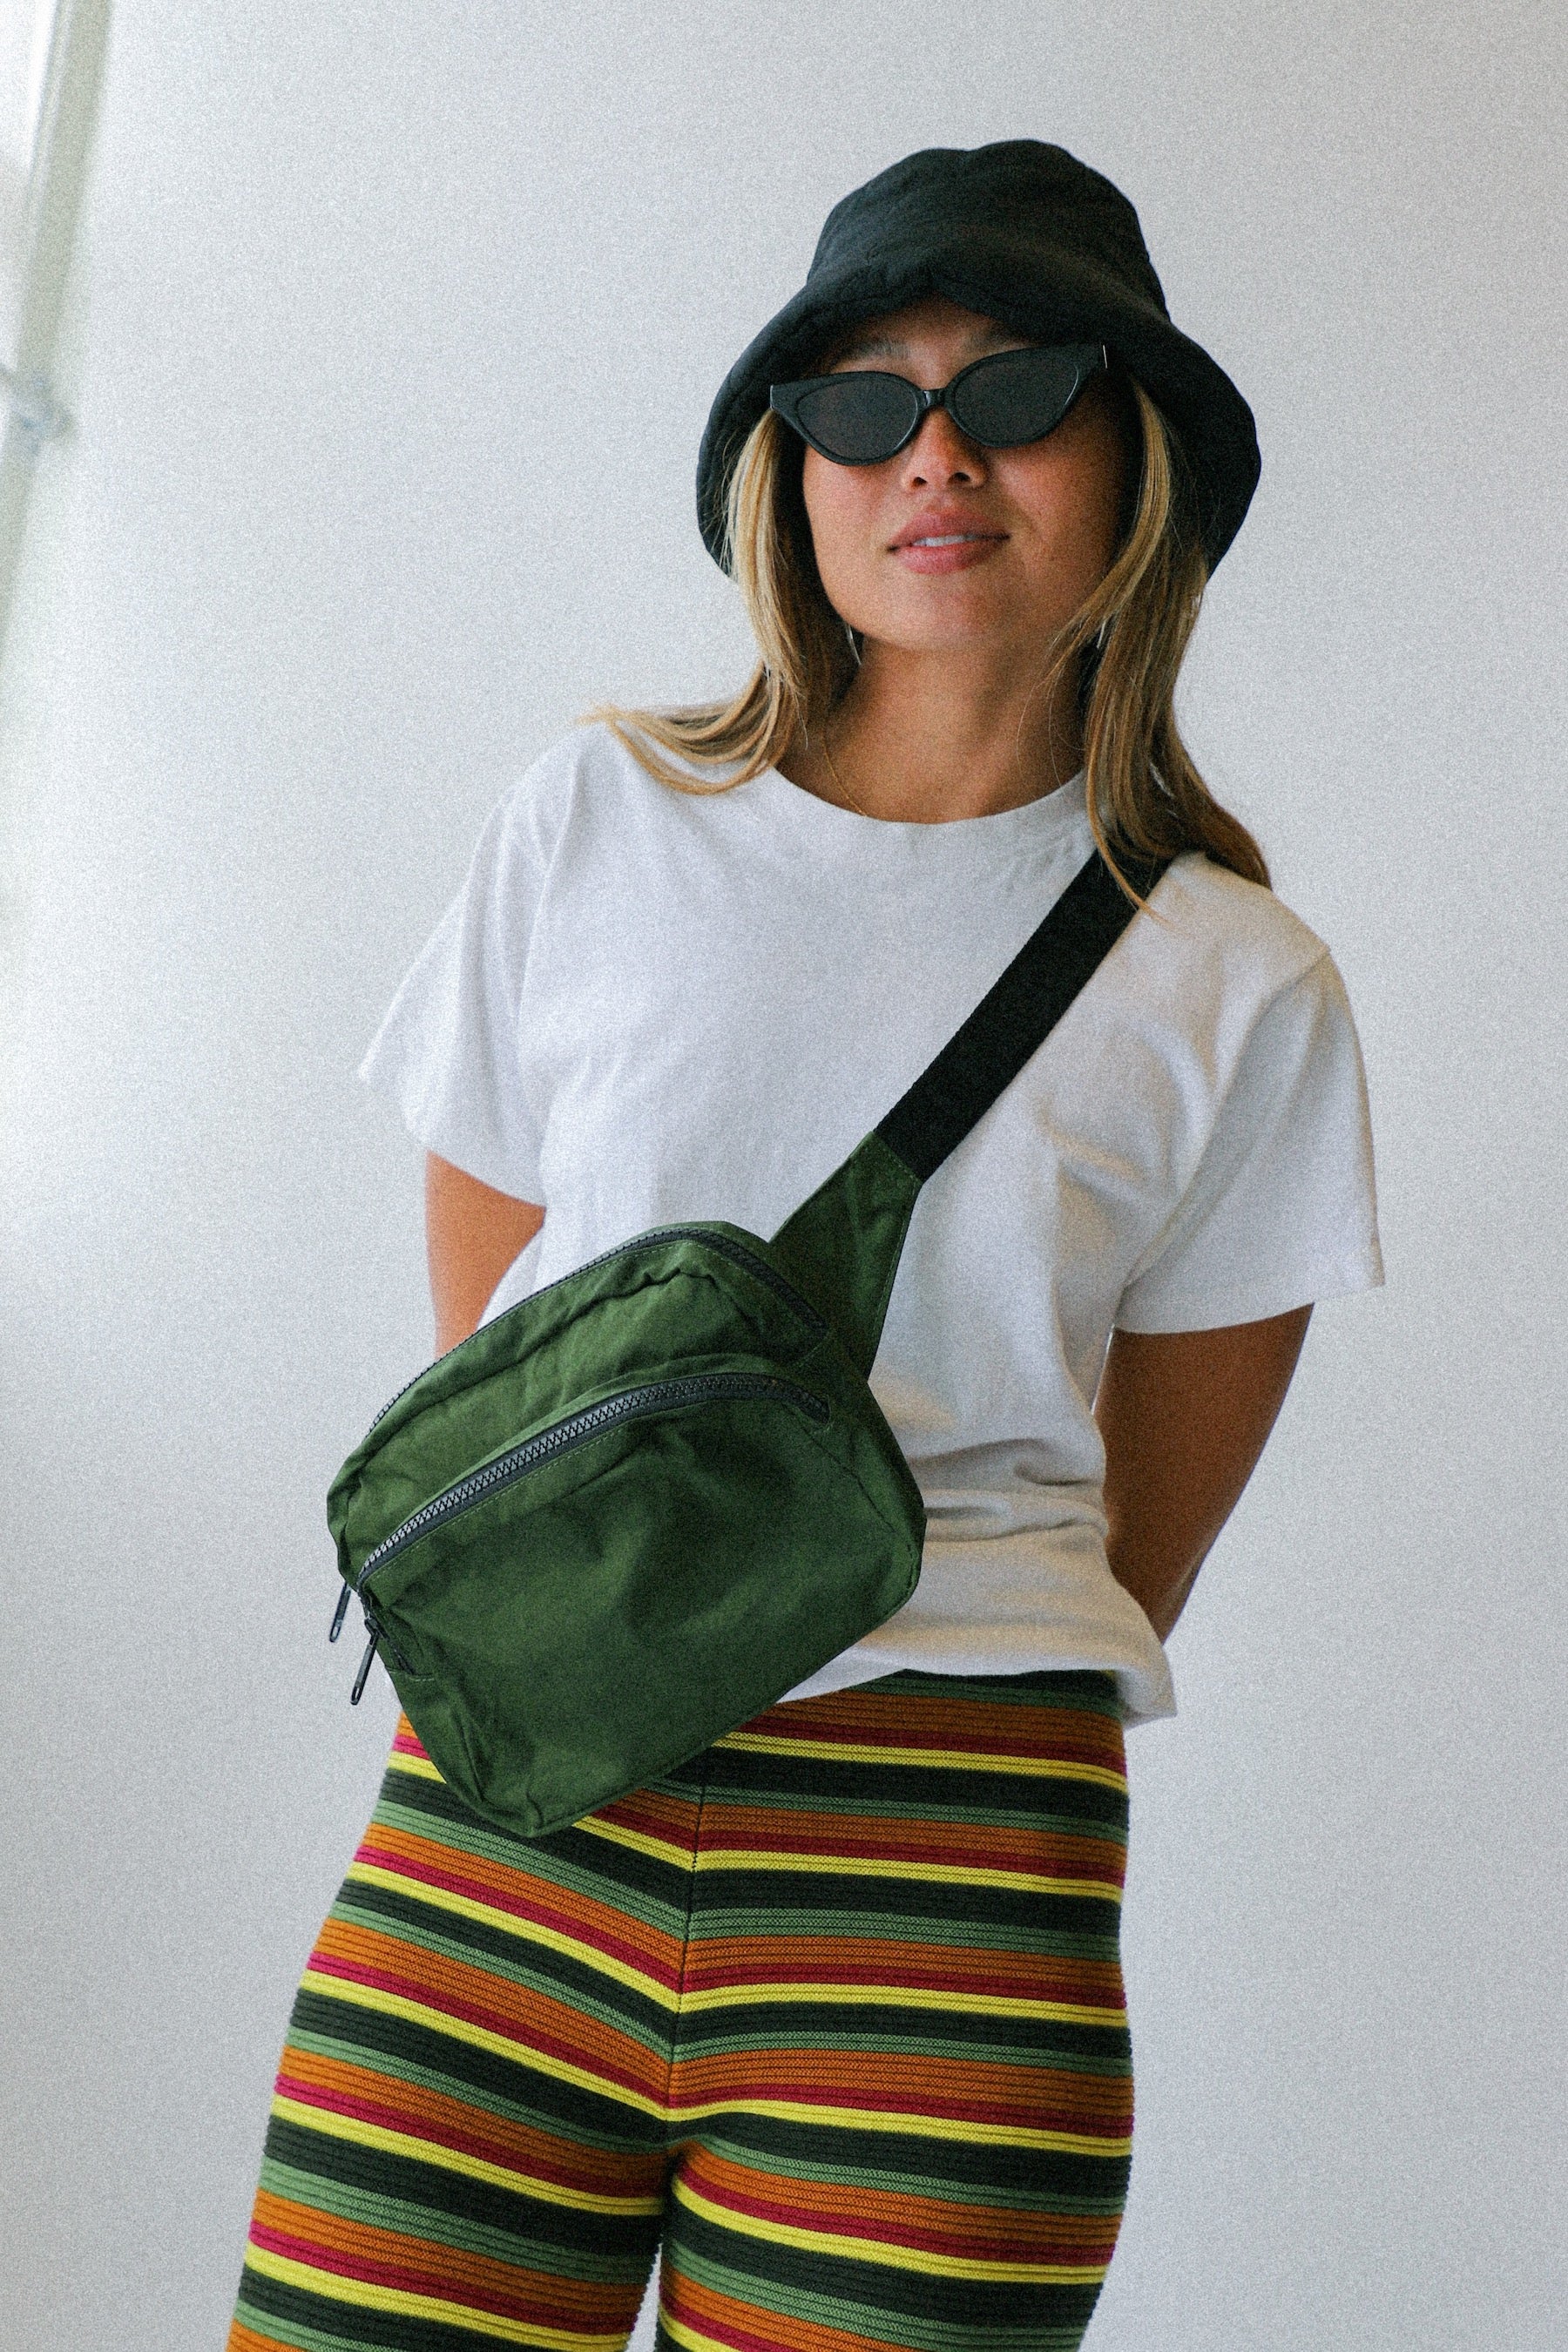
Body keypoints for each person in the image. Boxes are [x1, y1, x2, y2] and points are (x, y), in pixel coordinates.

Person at [228, 141, 1381, 2352]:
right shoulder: (597, 822)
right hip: (513, 1833)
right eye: (859, 401)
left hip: (947, 1895)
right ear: (791, 474)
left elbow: (1142, 1533)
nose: (932, 453)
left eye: (1015, 387)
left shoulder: (1240, 986)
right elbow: (513, 1353)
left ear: (1135, 455)